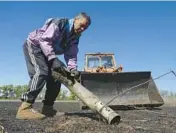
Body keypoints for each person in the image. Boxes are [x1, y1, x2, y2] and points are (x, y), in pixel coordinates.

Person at [16, 12, 91, 120]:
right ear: (75, 19)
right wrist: (53, 58)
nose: (83, 29)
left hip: (47, 52)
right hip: (35, 46)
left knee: (57, 77)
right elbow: (44, 40)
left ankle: (47, 108)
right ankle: (24, 108)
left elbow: (71, 55)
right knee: (41, 72)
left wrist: (72, 69)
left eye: (85, 28)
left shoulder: (75, 37)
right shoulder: (60, 23)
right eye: (82, 25)